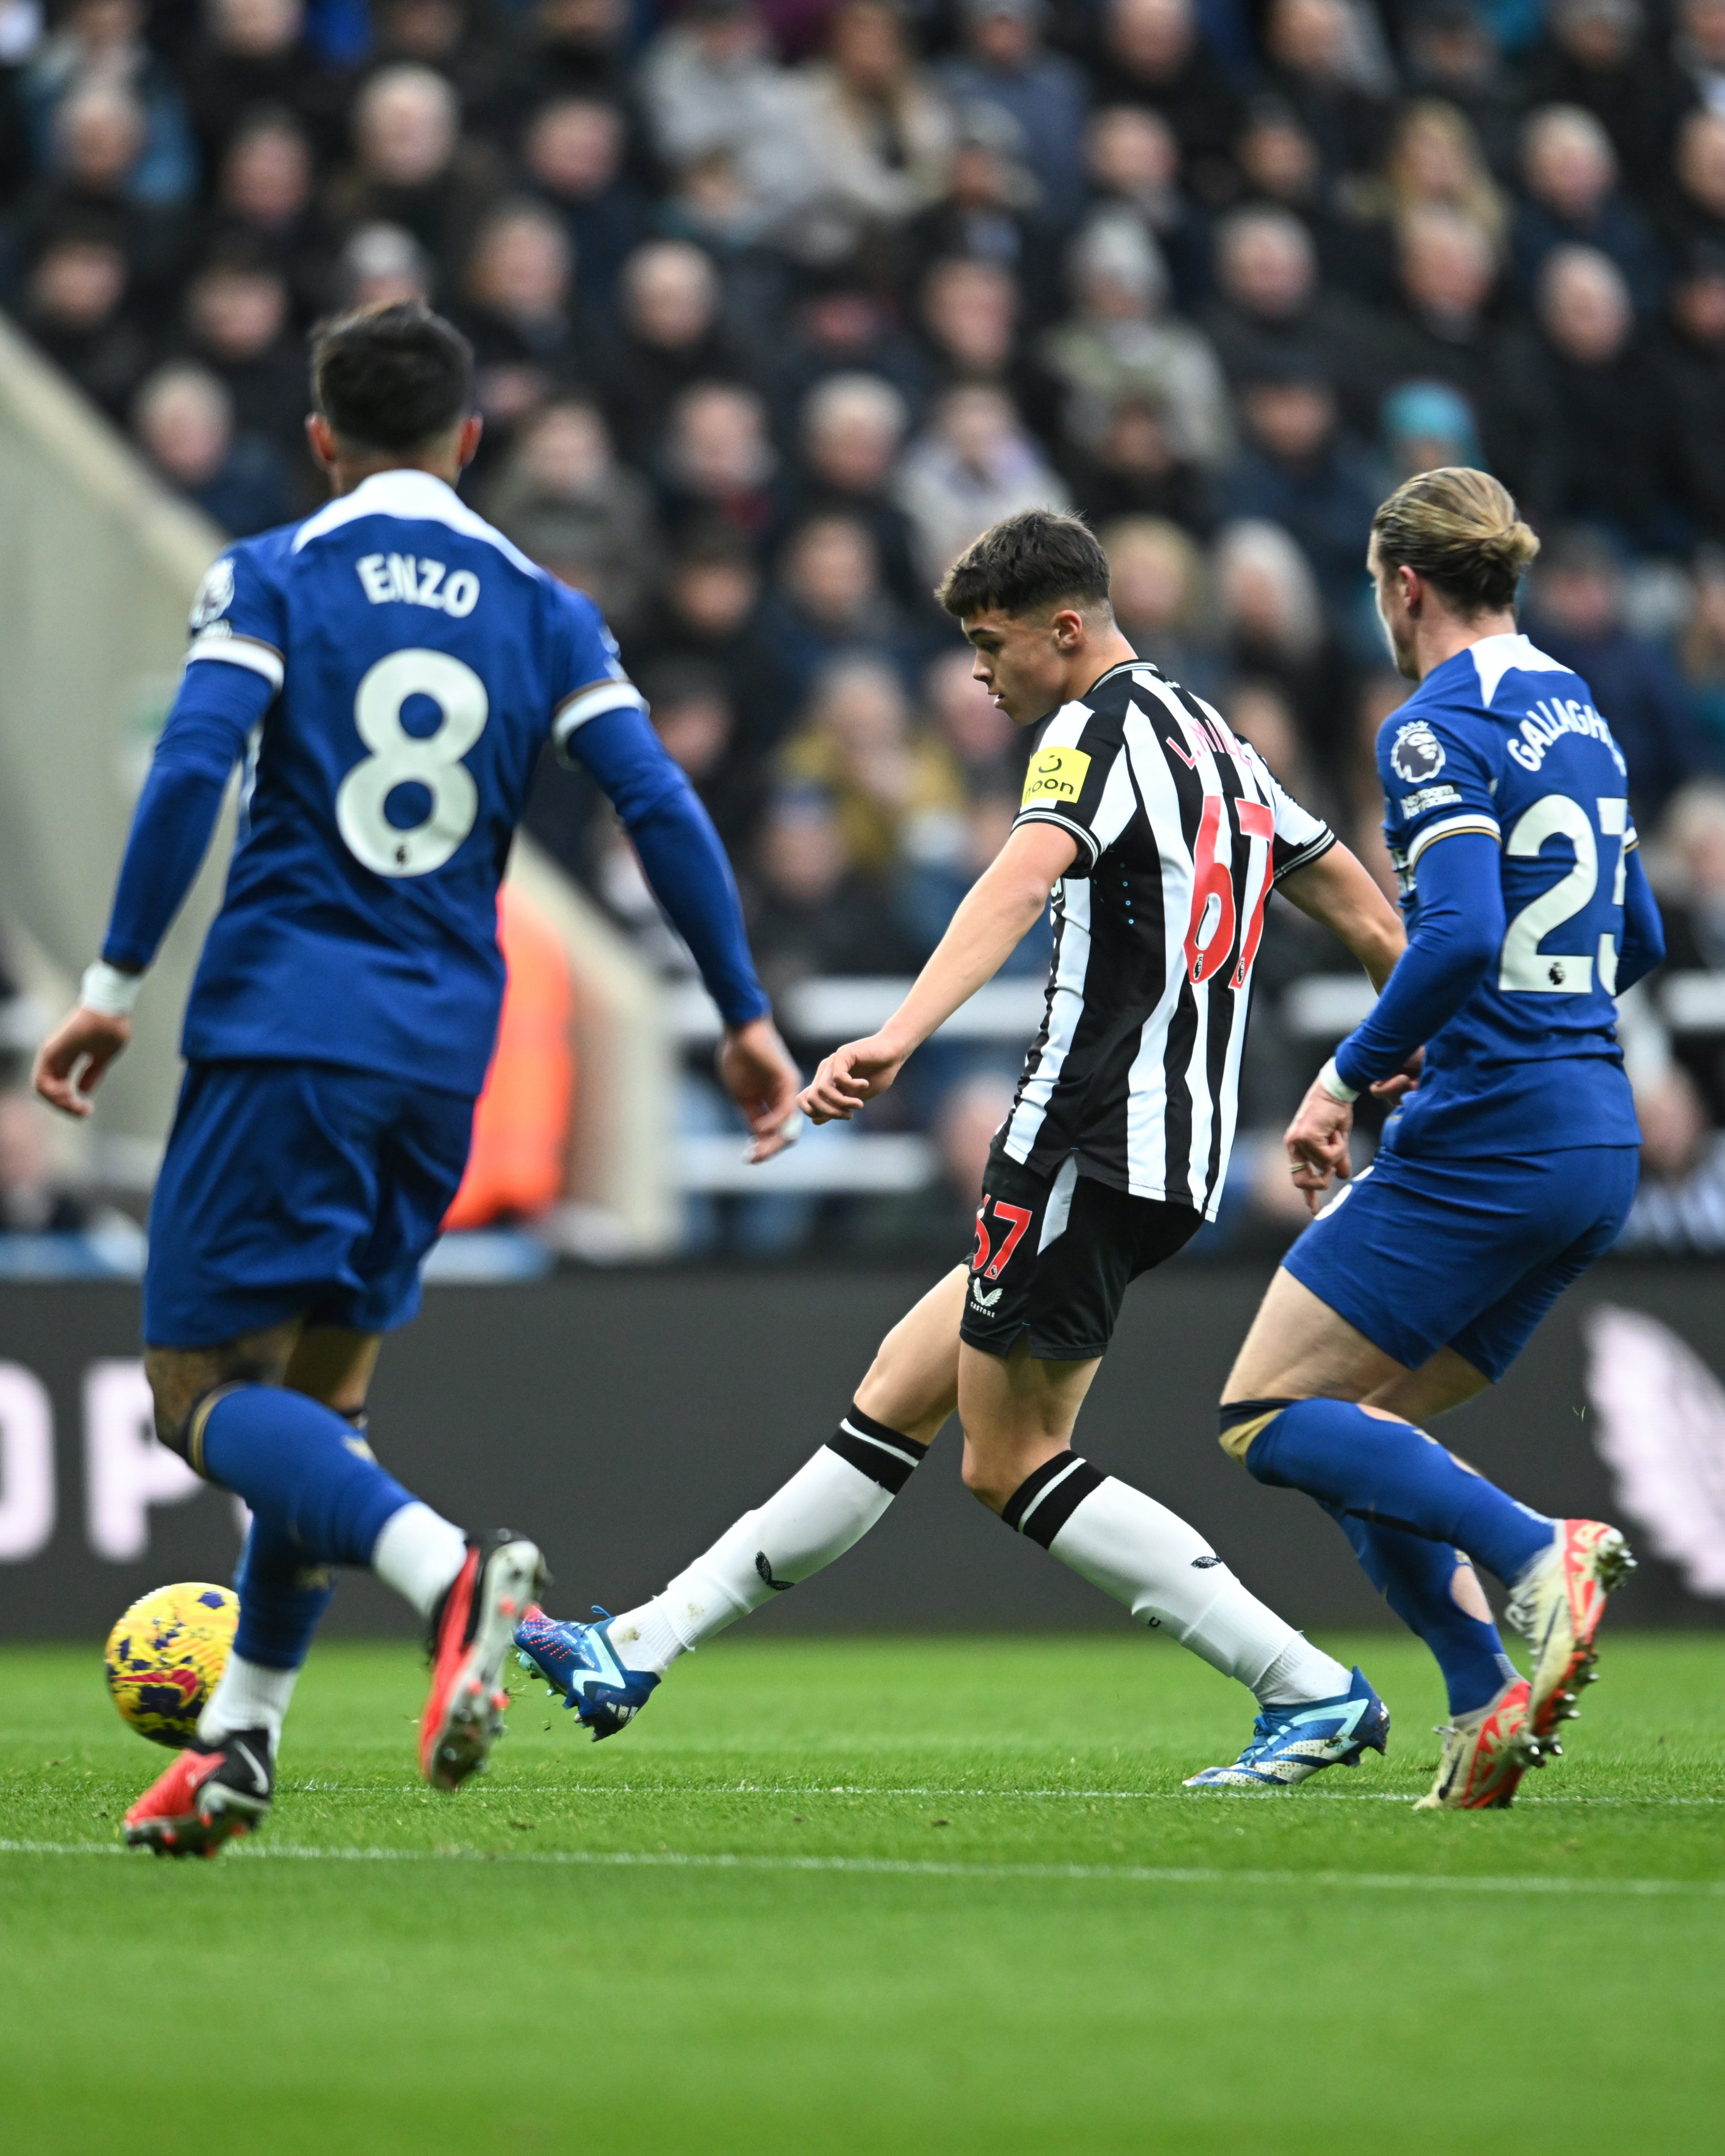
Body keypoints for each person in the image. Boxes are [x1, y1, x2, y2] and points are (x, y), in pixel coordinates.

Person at [32, 301, 799, 1856]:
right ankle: (239, 1744)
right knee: (321, 1411)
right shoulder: (540, 604)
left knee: (199, 1398)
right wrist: (737, 1007)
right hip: (442, 1052)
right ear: (468, 443)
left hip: (283, 1028)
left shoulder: (272, 573)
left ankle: (448, 1573)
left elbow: (193, 766)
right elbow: (652, 802)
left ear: (320, 440)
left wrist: (110, 983)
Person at [517, 507, 1417, 1794]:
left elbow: (1013, 882)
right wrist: (1403, 1045)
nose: (977, 675)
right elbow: (1367, 914)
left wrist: (894, 1034)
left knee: (1010, 1460)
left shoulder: (1088, 734)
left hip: (1080, 1136)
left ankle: (1307, 1686)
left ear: (1066, 629)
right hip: (1167, 1145)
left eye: (992, 645)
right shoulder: (1216, 736)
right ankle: (636, 1645)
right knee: (895, 1391)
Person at [1214, 467, 1664, 1810]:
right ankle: (1481, 1705)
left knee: (1264, 1413)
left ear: (1401, 584)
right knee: (1363, 1431)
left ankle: (1537, 1552)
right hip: (1594, 1134)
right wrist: (1486, 1030)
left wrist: (1345, 1077)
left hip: (1497, 1130)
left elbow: (1461, 931)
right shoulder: (1580, 710)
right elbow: (1631, 937)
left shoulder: (1429, 726)